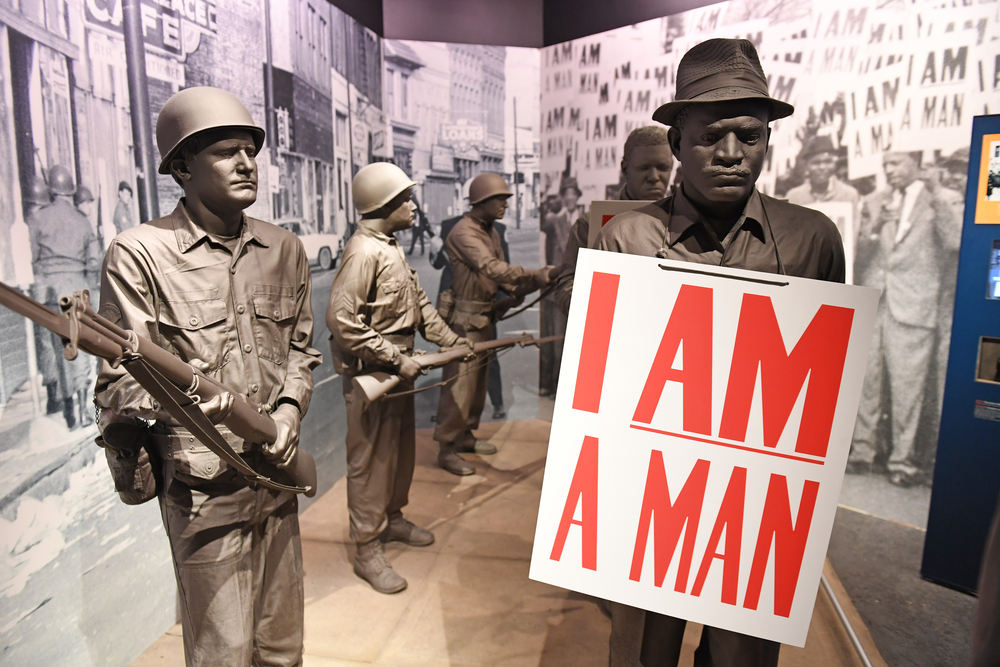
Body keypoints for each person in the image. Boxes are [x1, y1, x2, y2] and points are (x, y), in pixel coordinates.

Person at [594, 38, 845, 667]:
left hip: (756, 503)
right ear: (677, 142)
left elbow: (826, 385)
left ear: (768, 139)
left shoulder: (811, 239)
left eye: (750, 135)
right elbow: (596, 383)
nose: (732, 154)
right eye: (711, 135)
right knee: (644, 649)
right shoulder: (624, 240)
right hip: (653, 494)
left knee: (742, 654)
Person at [94, 87, 321, 667]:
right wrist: (187, 400)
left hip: (275, 471)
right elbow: (116, 383)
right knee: (222, 652)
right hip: (203, 489)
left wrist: (289, 412)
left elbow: (301, 349)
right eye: (226, 152)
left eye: (250, 150)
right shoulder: (139, 254)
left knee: (281, 648)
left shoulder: (284, 247)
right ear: (183, 167)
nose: (247, 164)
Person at [327, 162, 470, 594]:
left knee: (400, 452)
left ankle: (392, 519)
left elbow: (420, 304)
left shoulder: (388, 246)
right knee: (369, 463)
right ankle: (367, 547)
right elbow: (341, 320)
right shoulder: (363, 252)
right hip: (373, 376)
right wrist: (393, 356)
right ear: (383, 204)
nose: (413, 207)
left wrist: (451, 343)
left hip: (398, 372)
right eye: (405, 199)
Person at [847, 151, 961, 487]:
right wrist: (874, 227)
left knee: (907, 389)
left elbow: (955, 241)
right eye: (885, 165)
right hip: (876, 300)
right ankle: (862, 453)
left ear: (915, 163)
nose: (889, 171)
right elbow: (855, 252)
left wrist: (937, 191)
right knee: (867, 384)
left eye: (896, 164)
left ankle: (902, 461)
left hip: (913, 306)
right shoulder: (873, 200)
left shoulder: (944, 198)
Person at [433, 173, 554, 476]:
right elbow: (490, 266)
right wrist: (533, 275)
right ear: (482, 201)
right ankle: (446, 448)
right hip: (464, 321)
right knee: (459, 388)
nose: (505, 205)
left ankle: (465, 436)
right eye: (500, 199)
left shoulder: (490, 231)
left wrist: (519, 290)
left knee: (477, 386)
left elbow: (495, 274)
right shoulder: (464, 232)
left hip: (485, 315)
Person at [554, 125, 674, 314]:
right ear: (625, 168)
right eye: (644, 168)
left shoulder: (690, 218)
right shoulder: (592, 223)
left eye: (663, 168)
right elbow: (566, 289)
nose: (654, 177)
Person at [29, 165, 102, 428]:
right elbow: (93, 259)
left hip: (48, 291)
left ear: (51, 191)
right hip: (76, 290)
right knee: (78, 348)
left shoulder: (37, 219)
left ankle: (67, 407)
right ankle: (82, 409)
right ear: (70, 192)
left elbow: (34, 258)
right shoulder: (82, 221)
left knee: (55, 348)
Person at [433, 211, 512, 421]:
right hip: (453, 302)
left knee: (489, 354)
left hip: (482, 302)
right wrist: (435, 250)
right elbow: (439, 263)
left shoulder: (497, 229)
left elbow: (504, 269)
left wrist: (500, 305)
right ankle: (447, 410)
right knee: (451, 355)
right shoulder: (448, 225)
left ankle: (497, 402)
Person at [785, 135, 860, 207]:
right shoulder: (793, 197)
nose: (822, 167)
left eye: (828, 162)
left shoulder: (849, 195)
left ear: (835, 164)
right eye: (816, 163)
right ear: (806, 166)